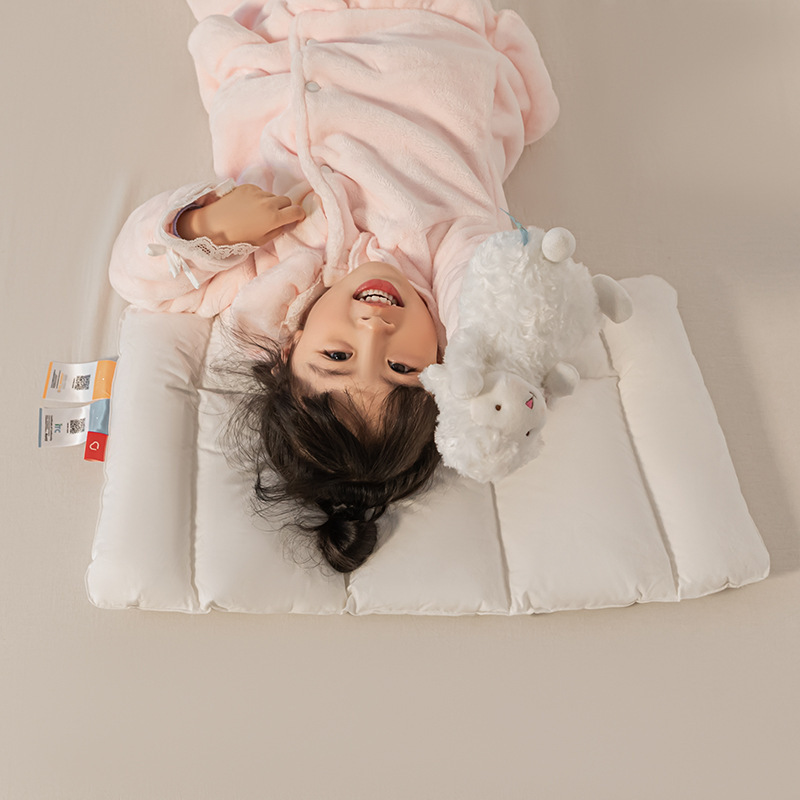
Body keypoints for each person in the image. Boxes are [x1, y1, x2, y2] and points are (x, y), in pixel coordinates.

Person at [108, 0, 559, 571]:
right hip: (418, 27)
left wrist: (206, 227)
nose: (375, 329)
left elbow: (136, 278)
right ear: (445, 365)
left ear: (289, 350)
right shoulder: (452, 259)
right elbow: (497, 290)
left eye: (337, 356)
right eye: (402, 366)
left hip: (277, 31)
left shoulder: (272, 269)